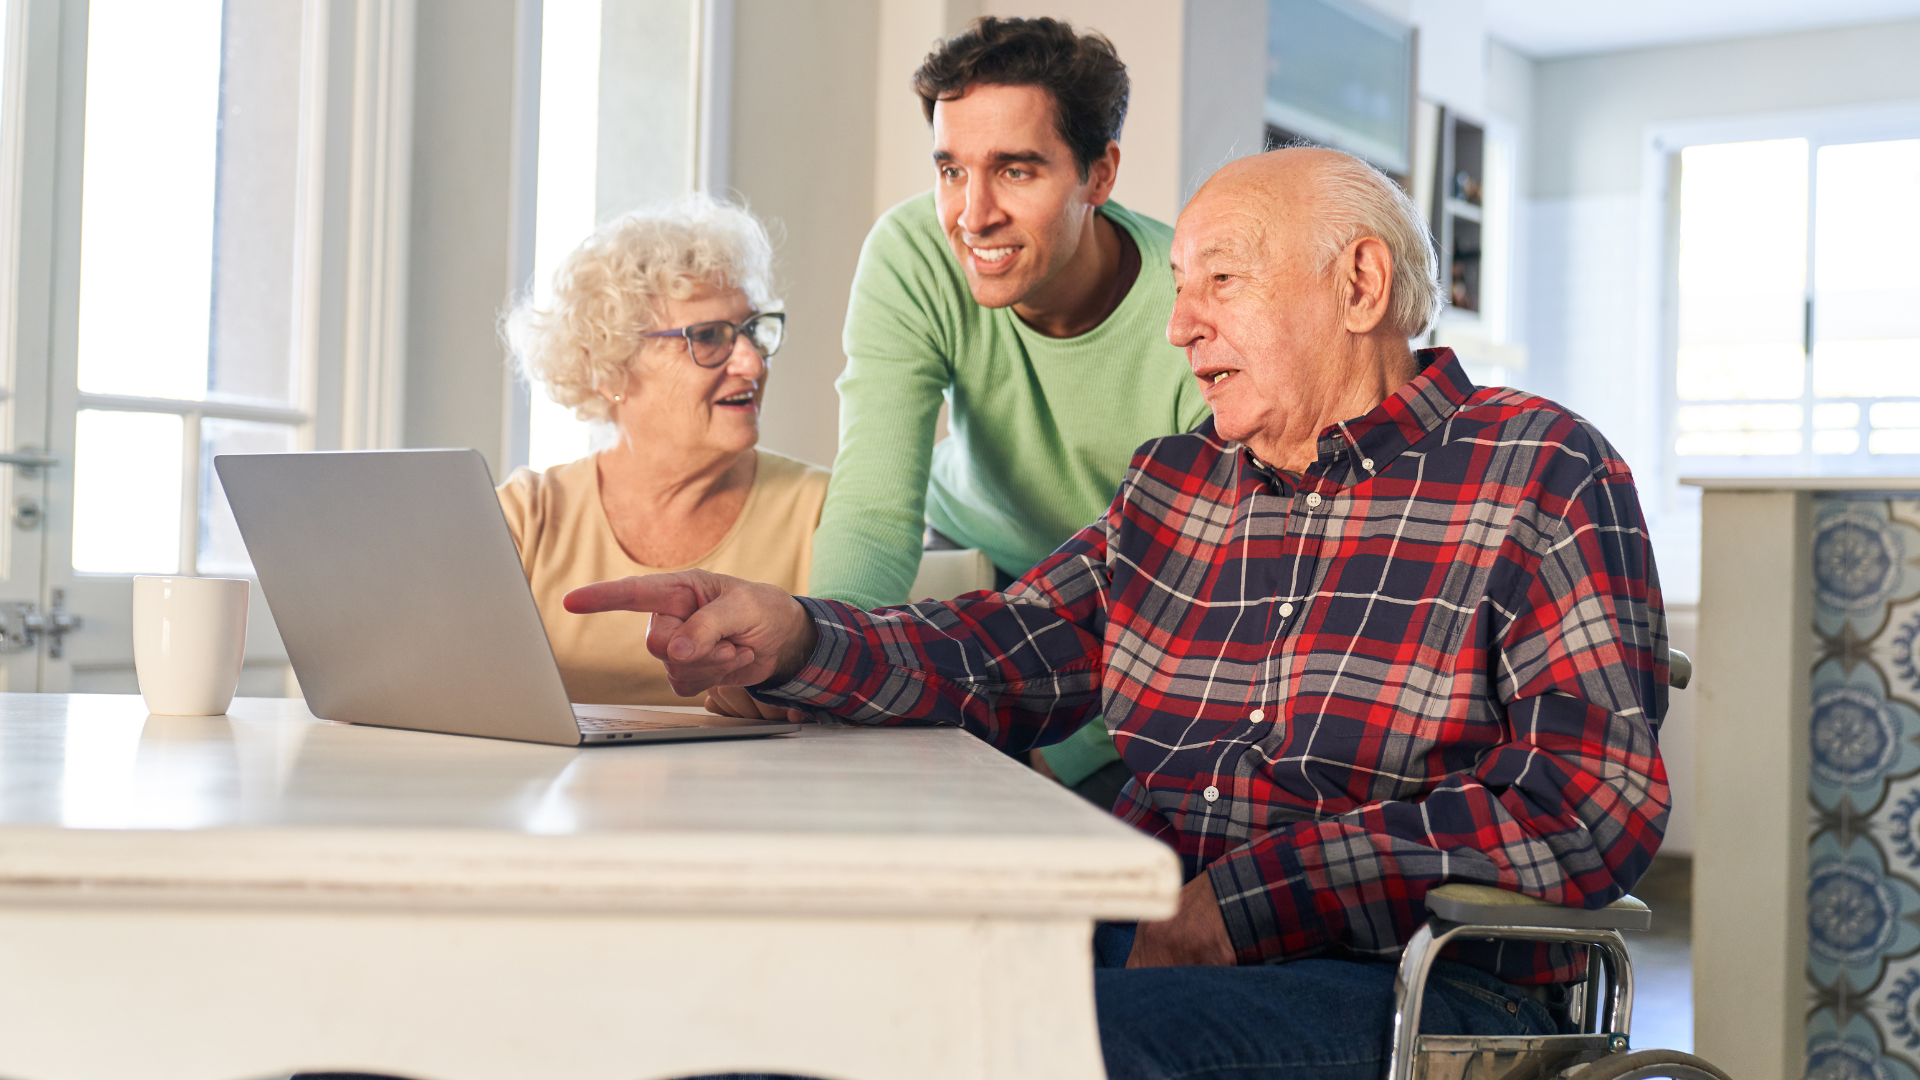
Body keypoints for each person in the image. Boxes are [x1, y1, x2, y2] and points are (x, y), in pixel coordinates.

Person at [566, 147, 1670, 1078]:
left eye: (1220, 283)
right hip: (1141, 927)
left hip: (1411, 990)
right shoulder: (1175, 484)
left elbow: (1586, 803)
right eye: (1178, 286)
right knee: (780, 1000)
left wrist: (1244, 906)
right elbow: (998, 654)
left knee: (987, 1047)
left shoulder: (1541, 470)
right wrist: (796, 637)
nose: (1180, 327)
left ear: (1361, 284)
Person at [717, 16, 1210, 803]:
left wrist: (1064, 757)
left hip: (1137, 608)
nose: (972, 216)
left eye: (1016, 171)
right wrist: (824, 679)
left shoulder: (1192, 310)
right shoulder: (914, 252)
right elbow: (876, 509)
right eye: (951, 170)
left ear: (1100, 174)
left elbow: (1193, 596)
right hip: (974, 562)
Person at [498, 195, 829, 707]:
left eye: (750, 331)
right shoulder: (525, 516)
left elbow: (856, 698)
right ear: (610, 369)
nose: (752, 363)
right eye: (710, 337)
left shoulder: (822, 510)